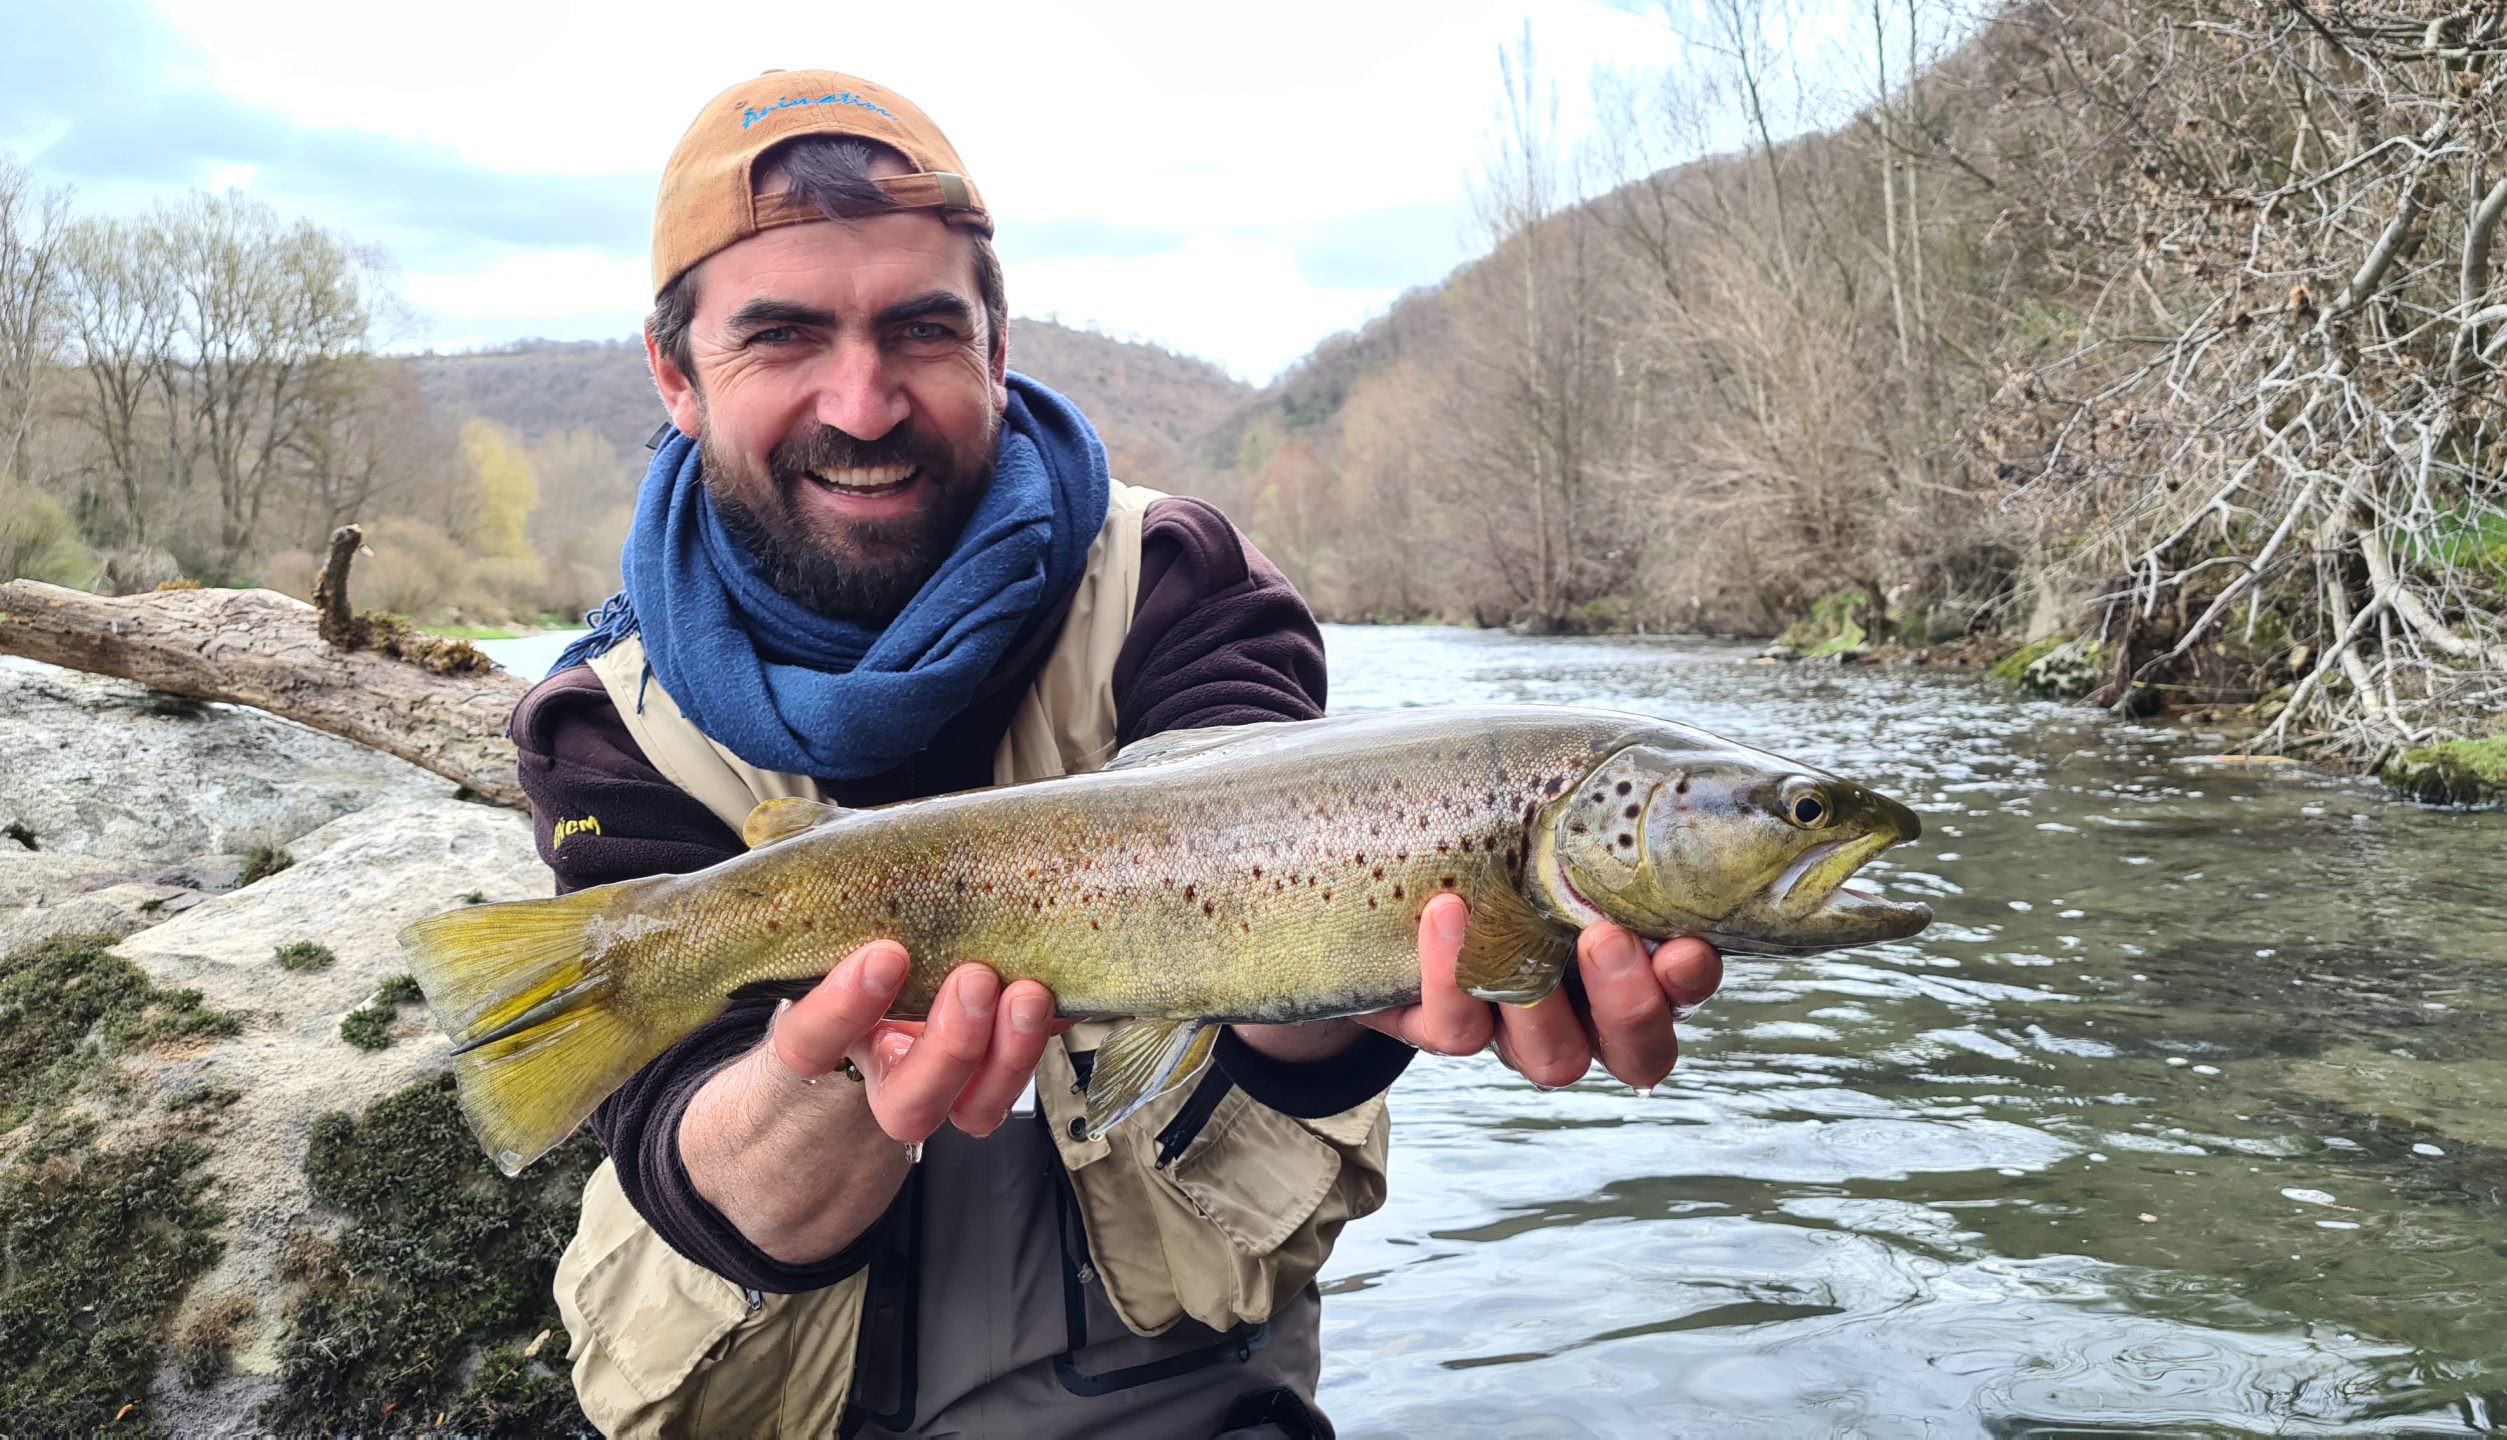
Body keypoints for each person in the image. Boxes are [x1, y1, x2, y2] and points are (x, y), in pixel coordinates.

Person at [515, 68, 1725, 1438]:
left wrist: (1353, 984)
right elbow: (693, 1161)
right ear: (675, 373)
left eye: (920, 329)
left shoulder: (1180, 586)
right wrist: (841, 1082)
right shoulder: (600, 721)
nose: (861, 403)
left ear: (996, 342)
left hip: (1180, 1402)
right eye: (783, 337)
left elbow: (1270, 909)